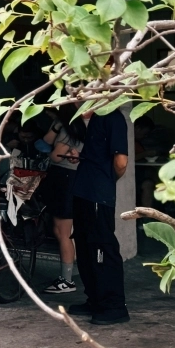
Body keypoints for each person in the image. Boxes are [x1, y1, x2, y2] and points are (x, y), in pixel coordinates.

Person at [69, 108, 130, 325]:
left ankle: (113, 306)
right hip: (84, 191)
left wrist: (104, 180)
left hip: (97, 194)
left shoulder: (113, 117)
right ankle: (95, 299)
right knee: (85, 248)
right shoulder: (96, 118)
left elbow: (121, 162)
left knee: (102, 249)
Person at [42, 107, 85, 294]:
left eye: (50, 113)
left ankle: (67, 281)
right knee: (60, 230)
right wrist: (56, 125)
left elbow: (56, 156)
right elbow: (46, 141)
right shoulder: (67, 127)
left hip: (65, 178)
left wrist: (49, 155)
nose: (46, 116)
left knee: (63, 232)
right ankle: (66, 276)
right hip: (65, 178)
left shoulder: (70, 131)